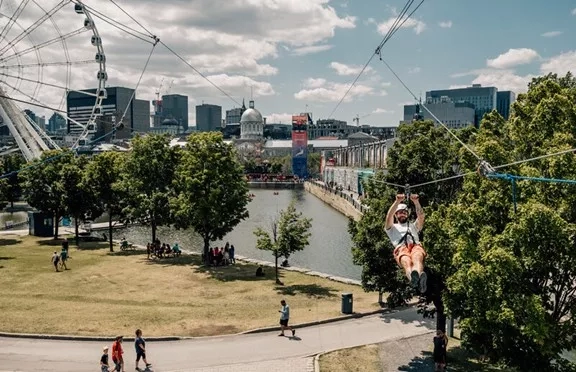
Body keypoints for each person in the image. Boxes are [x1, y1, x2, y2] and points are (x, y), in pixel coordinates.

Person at [385, 193, 427, 293]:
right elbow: (388, 215)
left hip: (415, 246)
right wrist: (397, 201)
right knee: (406, 260)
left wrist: (416, 202)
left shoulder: (413, 226)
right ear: (396, 215)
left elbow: (421, 216)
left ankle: (419, 277)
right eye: (399, 212)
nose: (402, 214)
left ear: (407, 214)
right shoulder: (392, 228)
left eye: (404, 212)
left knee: (417, 257)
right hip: (401, 248)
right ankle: (413, 278)